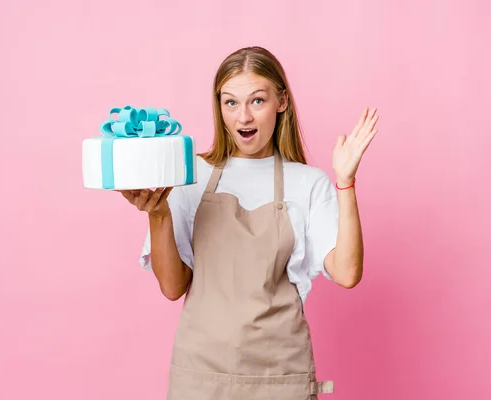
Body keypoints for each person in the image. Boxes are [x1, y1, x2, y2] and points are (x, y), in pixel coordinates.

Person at [118, 46, 378, 399]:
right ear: (219, 106)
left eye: (257, 101)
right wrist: (158, 214)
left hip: (279, 374)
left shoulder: (308, 183)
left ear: (281, 101)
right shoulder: (189, 176)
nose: (243, 117)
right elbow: (173, 288)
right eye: (230, 103)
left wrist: (345, 182)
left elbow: (347, 273)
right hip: (202, 372)